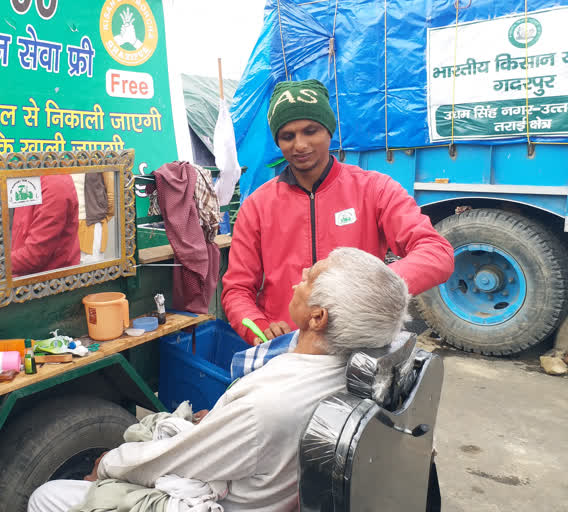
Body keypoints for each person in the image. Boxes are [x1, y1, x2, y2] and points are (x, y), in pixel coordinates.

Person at [28, 247, 411, 512]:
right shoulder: (347, 366)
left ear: (318, 318)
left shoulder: (270, 405)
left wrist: (110, 464)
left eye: (308, 279)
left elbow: (173, 462)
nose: (298, 281)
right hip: (258, 475)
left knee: (48, 496)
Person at [221, 79, 454, 345]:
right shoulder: (257, 206)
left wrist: (369, 288)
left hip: (359, 343)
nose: (300, 145)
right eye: (288, 136)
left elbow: (437, 253)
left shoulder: (374, 189)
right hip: (288, 349)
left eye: (311, 131)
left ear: (329, 131)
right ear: (278, 141)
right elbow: (237, 290)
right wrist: (260, 330)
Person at [11, 174, 81, 276]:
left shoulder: (54, 185)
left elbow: (35, 255)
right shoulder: (31, 178)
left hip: (49, 282)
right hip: (24, 275)